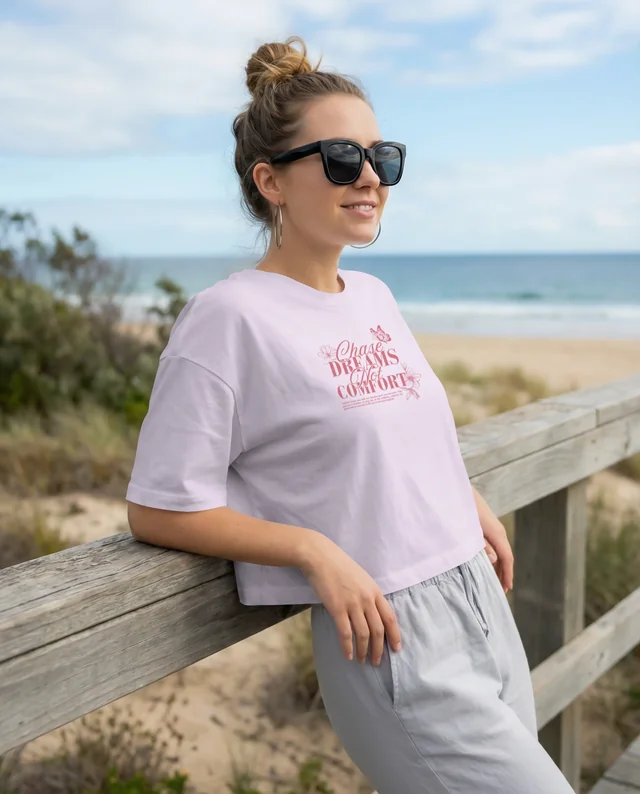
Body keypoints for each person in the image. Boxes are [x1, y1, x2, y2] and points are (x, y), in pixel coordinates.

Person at [126, 35, 575, 794]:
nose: (369, 177)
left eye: (382, 157)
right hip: (391, 636)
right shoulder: (227, 318)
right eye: (340, 157)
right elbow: (159, 506)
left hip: (476, 598)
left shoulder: (374, 297)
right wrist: (313, 551)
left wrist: (460, 500)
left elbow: (398, 432)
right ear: (270, 180)